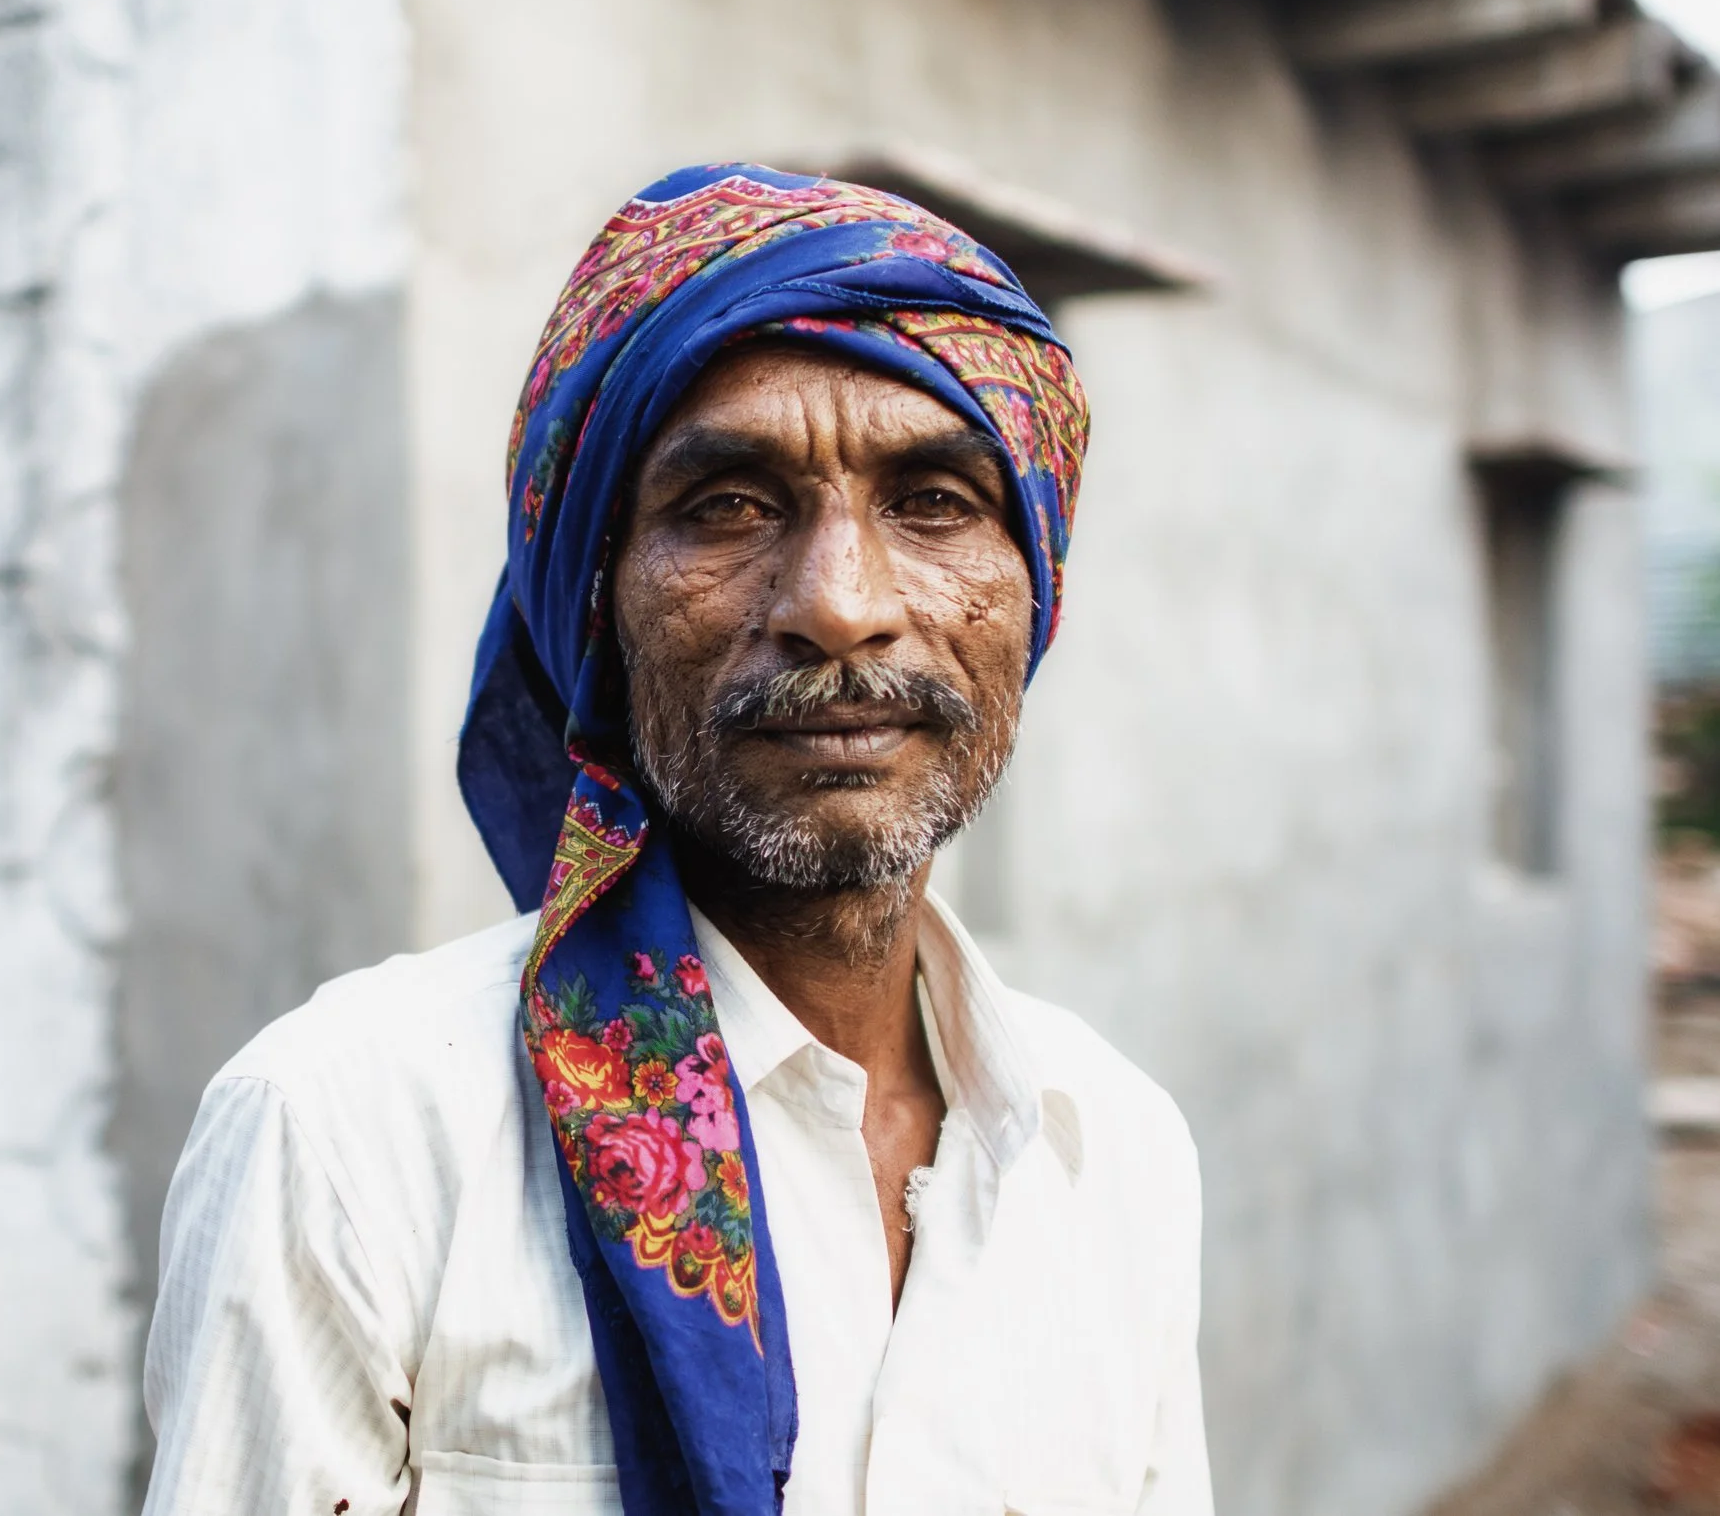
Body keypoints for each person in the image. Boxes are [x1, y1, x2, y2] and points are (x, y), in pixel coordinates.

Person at [141, 164, 1209, 1516]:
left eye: (933, 499)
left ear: (1031, 589)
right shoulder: (352, 1136)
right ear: (598, 606)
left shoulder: (1113, 1150)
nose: (840, 604)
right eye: (729, 507)